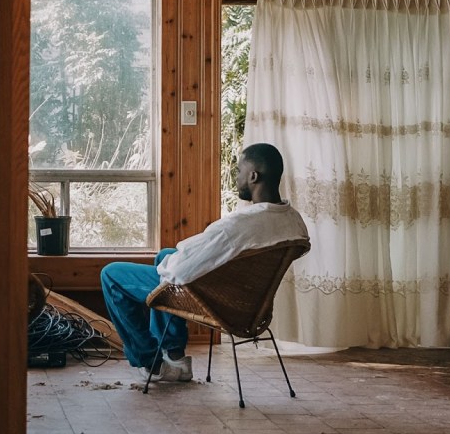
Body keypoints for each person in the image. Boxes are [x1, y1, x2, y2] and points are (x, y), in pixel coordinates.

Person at [100, 142, 310, 382]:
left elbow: (178, 271)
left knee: (111, 274)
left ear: (253, 176)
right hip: (249, 306)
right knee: (166, 255)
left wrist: (171, 264)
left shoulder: (238, 226)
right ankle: (175, 357)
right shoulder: (294, 221)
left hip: (217, 303)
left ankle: (152, 363)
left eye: (239, 171)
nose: (236, 177)